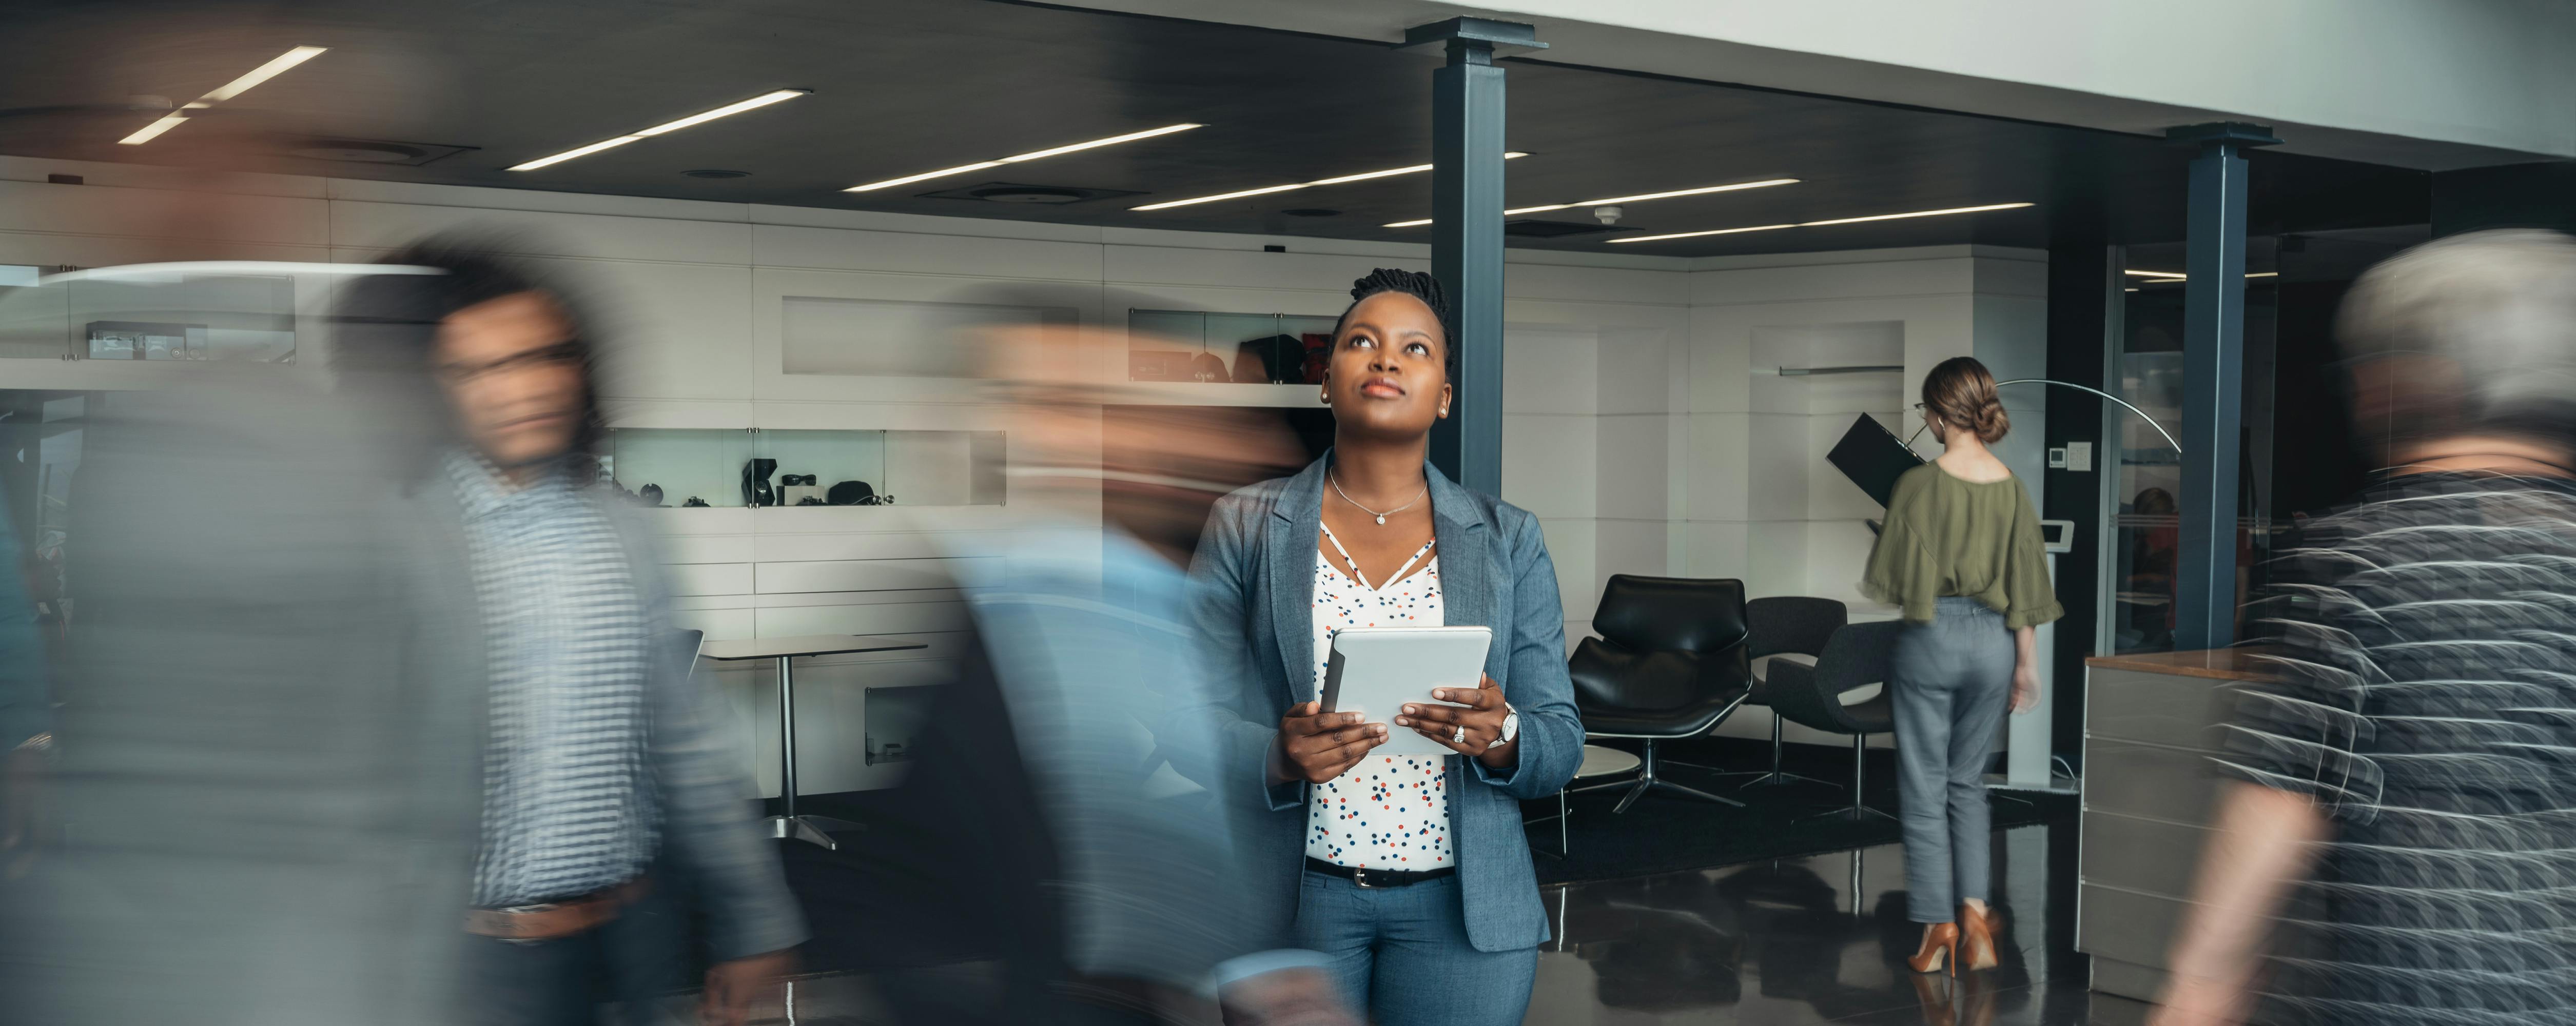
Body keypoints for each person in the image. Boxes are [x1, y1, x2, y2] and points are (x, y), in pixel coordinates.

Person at [335, 238, 803, 1025]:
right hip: (449, 967)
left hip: (620, 952)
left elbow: (688, 747)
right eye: (479, 369)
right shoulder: (383, 535)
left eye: (542, 356)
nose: (522, 388)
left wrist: (754, 919)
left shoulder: (627, 532)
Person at [2150, 230, 2576, 1026]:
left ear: (2418, 379)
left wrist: (2200, 987)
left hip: (2422, 985)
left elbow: (2278, 803)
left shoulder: (2368, 560)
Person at [1183, 268, 1584, 1025]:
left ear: (1445, 394)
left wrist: (1501, 735)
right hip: (1295, 902)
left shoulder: (1509, 539)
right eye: (1361, 342)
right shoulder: (1244, 524)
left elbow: (1560, 743)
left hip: (1465, 911)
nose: (1386, 360)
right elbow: (1181, 714)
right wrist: (1276, 754)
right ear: (1327, 382)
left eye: (1415, 349)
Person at [1859, 356, 2062, 976]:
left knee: (1924, 791)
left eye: (1925, 410)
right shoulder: (2010, 486)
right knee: (1967, 785)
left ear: (1940, 414)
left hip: (1933, 635)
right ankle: (1976, 912)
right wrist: (2026, 666)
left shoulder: (1917, 486)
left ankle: (1936, 923)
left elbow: (1892, 581)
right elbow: (2028, 584)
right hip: (1996, 644)